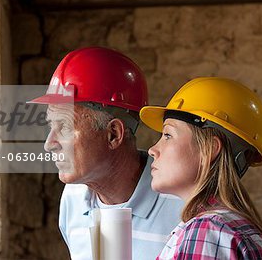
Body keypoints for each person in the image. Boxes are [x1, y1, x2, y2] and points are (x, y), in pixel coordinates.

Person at [29, 47, 184, 260]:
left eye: (64, 127)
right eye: (50, 126)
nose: (50, 144)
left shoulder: (183, 206)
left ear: (113, 134)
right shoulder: (72, 199)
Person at [139, 77, 262, 259]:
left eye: (167, 135)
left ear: (210, 149)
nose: (152, 150)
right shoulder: (232, 227)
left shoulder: (207, 232)